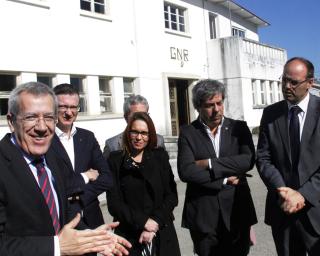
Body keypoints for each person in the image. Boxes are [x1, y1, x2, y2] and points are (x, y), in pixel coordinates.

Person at [0, 82, 131, 256]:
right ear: (11, 121)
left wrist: (90, 238)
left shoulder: (49, 158)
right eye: (31, 117)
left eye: (48, 118)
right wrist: (56, 247)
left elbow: (61, 210)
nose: (41, 127)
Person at [177, 79, 257, 256]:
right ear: (198, 107)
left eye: (219, 103)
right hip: (204, 214)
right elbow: (186, 171)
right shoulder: (188, 133)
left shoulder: (239, 128)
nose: (216, 109)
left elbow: (248, 160)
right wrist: (225, 179)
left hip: (238, 210)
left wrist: (209, 163)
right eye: (209, 105)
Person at [256, 57, 320, 255]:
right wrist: (283, 190)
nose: (286, 86)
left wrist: (302, 194)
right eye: (284, 80)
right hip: (282, 209)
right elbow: (263, 158)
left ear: (310, 83)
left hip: (316, 210)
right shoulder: (271, 113)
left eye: (293, 82)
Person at [107, 112, 181, 256]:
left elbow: (171, 196)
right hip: (129, 236)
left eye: (144, 133)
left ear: (151, 135)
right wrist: (143, 222)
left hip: (161, 231)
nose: (139, 137)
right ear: (128, 133)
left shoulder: (159, 157)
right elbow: (114, 204)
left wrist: (153, 223)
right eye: (134, 132)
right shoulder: (116, 160)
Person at [51, 83, 113, 233]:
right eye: (63, 107)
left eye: (74, 107)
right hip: (61, 222)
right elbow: (54, 183)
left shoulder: (87, 137)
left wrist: (79, 197)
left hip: (91, 218)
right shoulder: (44, 140)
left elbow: (106, 177)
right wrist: (86, 176)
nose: (69, 112)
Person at [103, 94, 165, 159]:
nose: (141, 118)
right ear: (126, 117)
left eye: (144, 115)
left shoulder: (159, 141)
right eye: (136, 115)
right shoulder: (112, 145)